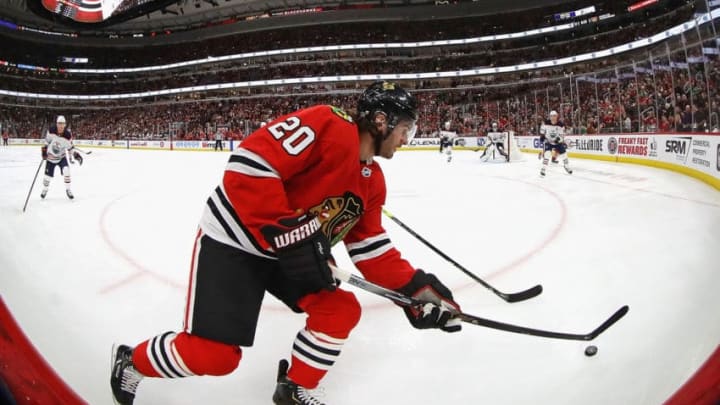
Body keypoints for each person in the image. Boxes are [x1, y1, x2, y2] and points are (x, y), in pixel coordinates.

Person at [110, 81, 462, 405]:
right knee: (214, 357)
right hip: (235, 239)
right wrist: (290, 231)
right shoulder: (330, 124)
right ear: (382, 121)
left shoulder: (373, 180)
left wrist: (416, 289)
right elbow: (248, 165)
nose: (407, 139)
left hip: (288, 253)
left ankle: (294, 388)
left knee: (338, 311)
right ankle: (131, 361)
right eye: (406, 130)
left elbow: (370, 247)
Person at [40, 116, 82, 200]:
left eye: (62, 124)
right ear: (56, 124)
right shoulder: (51, 130)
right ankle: (45, 190)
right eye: (59, 124)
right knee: (47, 177)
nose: (61, 126)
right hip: (50, 158)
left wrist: (75, 154)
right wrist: (44, 150)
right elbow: (46, 142)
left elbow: (70, 148)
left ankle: (68, 189)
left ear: (65, 125)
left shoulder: (67, 135)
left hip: (61, 157)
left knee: (66, 170)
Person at [539, 111, 572, 177]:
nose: (553, 118)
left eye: (554, 116)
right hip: (548, 141)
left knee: (564, 155)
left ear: (557, 116)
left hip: (558, 143)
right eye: (551, 116)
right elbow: (542, 132)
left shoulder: (561, 125)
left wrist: (558, 140)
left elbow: (562, 136)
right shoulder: (545, 123)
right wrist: (542, 137)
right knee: (547, 154)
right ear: (550, 117)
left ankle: (567, 166)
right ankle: (543, 169)